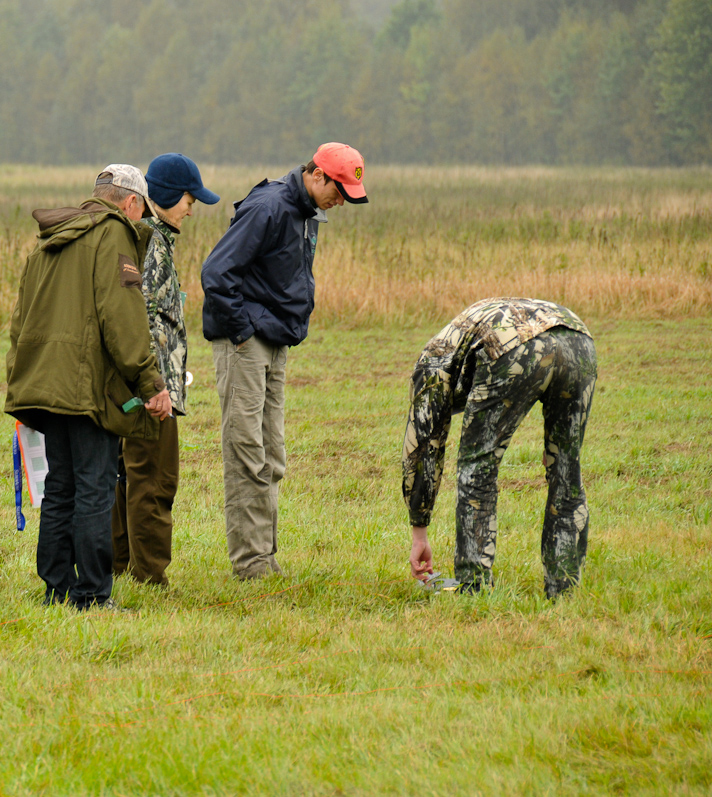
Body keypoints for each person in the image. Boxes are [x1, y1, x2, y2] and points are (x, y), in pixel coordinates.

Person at [6, 164, 171, 610]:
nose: (140, 221)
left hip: (44, 383)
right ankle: (93, 595)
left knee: (60, 486)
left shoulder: (52, 238)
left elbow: (19, 322)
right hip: (86, 387)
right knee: (95, 487)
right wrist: (149, 380)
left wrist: (20, 379)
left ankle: (56, 590)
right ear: (131, 202)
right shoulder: (114, 235)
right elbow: (124, 317)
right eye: (142, 212)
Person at [201, 142, 368, 580]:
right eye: (339, 190)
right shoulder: (269, 207)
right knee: (246, 450)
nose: (341, 201)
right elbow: (216, 273)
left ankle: (265, 557)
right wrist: (243, 330)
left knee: (272, 451)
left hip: (275, 341)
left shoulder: (305, 212)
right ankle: (251, 564)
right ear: (317, 175)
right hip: (247, 342)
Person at [403, 297, 597, 598]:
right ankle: (564, 592)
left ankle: (474, 589)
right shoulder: (458, 339)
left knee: (477, 467)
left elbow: (422, 445)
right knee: (566, 467)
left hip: (511, 345)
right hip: (577, 337)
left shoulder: (430, 363)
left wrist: (419, 531)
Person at [111, 154, 219, 587]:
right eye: (190, 200)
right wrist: (157, 386)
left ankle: (119, 565)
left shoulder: (150, 239)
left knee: (128, 476)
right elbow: (147, 318)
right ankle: (150, 576)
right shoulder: (153, 242)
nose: (192, 209)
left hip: (139, 384)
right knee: (156, 478)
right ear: (171, 196)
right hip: (152, 389)